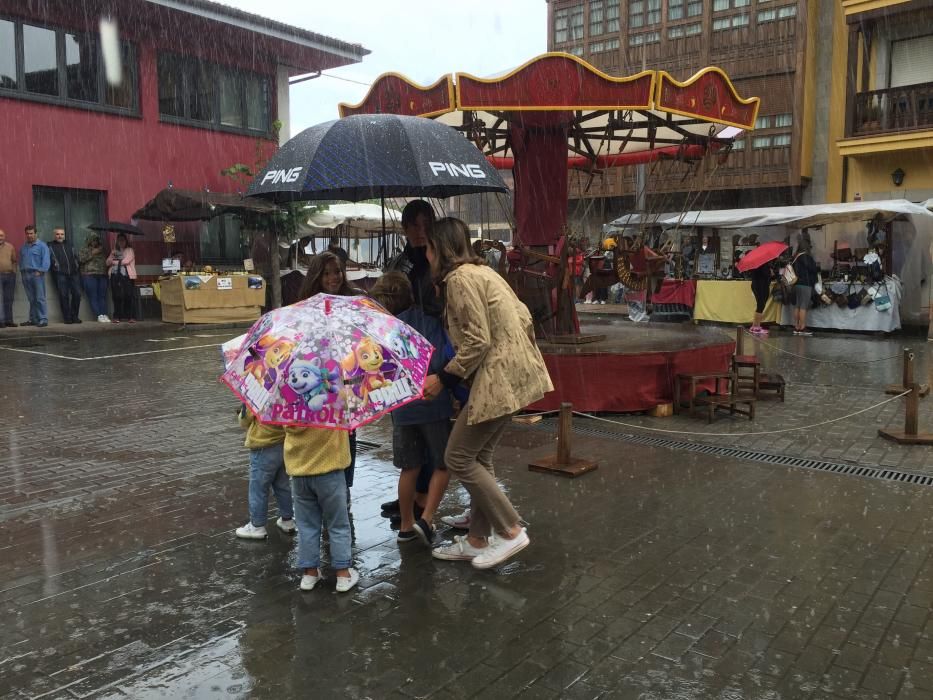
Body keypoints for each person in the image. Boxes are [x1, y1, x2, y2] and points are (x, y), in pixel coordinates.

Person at [423, 217, 553, 569]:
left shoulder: (459, 279)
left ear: (438, 250)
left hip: (499, 376)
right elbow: (522, 317)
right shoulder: (484, 272)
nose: (427, 256)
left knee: (458, 456)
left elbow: (477, 340)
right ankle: (477, 540)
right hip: (511, 374)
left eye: (428, 249)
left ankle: (510, 530)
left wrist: (444, 379)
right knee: (478, 457)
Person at [369, 271, 454, 548]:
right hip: (433, 405)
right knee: (444, 463)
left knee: (410, 468)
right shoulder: (429, 322)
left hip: (403, 409)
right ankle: (427, 519)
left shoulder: (383, 330)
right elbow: (443, 357)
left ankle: (406, 525)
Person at [382, 199, 441, 525]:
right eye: (413, 225)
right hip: (402, 352)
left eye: (425, 224)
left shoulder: (439, 261)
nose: (420, 232)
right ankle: (410, 492)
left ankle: (421, 499)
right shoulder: (398, 262)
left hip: (432, 351)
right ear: (404, 229)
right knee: (407, 431)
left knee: (433, 430)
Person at [298, 252, 361, 498]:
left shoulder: (352, 301)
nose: (334, 277)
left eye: (337, 271)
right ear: (317, 276)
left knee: (349, 431)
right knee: (324, 433)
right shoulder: (307, 306)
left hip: (348, 376)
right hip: (320, 379)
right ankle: (325, 488)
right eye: (326, 273)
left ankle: (344, 488)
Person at [285, 423, 358, 592]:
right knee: (338, 524)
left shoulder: (287, 401)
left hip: (299, 474)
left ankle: (309, 574)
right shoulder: (334, 397)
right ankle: (342, 574)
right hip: (330, 471)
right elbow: (351, 413)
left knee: (307, 526)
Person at [234, 406, 296, 540]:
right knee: (282, 485)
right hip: (283, 444)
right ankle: (287, 520)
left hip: (263, 447)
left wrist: (242, 411)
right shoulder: (285, 392)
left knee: (258, 488)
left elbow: (244, 422)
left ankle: (257, 526)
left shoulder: (259, 394)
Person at [48, 228, 83, 324]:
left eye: (62, 234)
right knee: (64, 296)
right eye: (58, 234)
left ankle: (74, 316)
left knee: (77, 294)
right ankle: (67, 318)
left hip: (73, 273)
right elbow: (50, 259)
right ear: (54, 235)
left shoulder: (69, 244)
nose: (60, 236)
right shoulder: (50, 245)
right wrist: (55, 267)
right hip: (60, 274)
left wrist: (76, 266)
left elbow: (75, 256)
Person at [19, 225, 50, 327]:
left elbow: (46, 261)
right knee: (31, 299)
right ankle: (33, 319)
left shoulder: (42, 246)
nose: (29, 235)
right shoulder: (23, 247)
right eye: (27, 233)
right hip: (25, 275)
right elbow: (21, 260)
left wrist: (40, 271)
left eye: (31, 233)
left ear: (36, 234)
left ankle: (43, 319)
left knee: (40, 298)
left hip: (36, 275)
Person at [106, 233, 137, 323]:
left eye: (123, 240)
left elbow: (126, 261)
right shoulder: (114, 251)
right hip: (115, 275)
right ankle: (117, 316)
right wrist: (112, 255)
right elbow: (107, 263)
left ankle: (131, 316)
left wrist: (115, 262)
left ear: (126, 241)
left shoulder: (130, 250)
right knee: (116, 296)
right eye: (119, 240)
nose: (121, 242)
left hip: (127, 275)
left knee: (128, 295)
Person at [792, 232, 818, 337]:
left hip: (796, 284)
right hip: (805, 284)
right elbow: (813, 269)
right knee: (803, 306)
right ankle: (803, 327)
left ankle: (797, 327)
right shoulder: (806, 257)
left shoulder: (796, 256)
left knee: (797, 306)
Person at [79, 233, 110, 322]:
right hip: (89, 275)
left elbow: (107, 260)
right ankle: (99, 315)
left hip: (102, 275)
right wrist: (92, 253)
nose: (94, 242)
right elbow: (81, 259)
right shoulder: (84, 249)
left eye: (96, 240)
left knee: (102, 296)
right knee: (93, 296)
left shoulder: (102, 249)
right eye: (92, 240)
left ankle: (104, 314)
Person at [748, 257, 775, 337]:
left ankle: (755, 325)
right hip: (760, 285)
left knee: (760, 305)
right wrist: (770, 272)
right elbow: (765, 274)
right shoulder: (762, 264)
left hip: (757, 285)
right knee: (761, 305)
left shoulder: (756, 263)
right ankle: (756, 327)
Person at [0, 228, 18, 327]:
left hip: (9, 276)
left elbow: (14, 261)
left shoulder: (10, 247)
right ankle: (1, 321)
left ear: (4, 236)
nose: (0, 238)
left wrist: (14, 272)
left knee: (9, 298)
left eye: (1, 235)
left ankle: (9, 320)